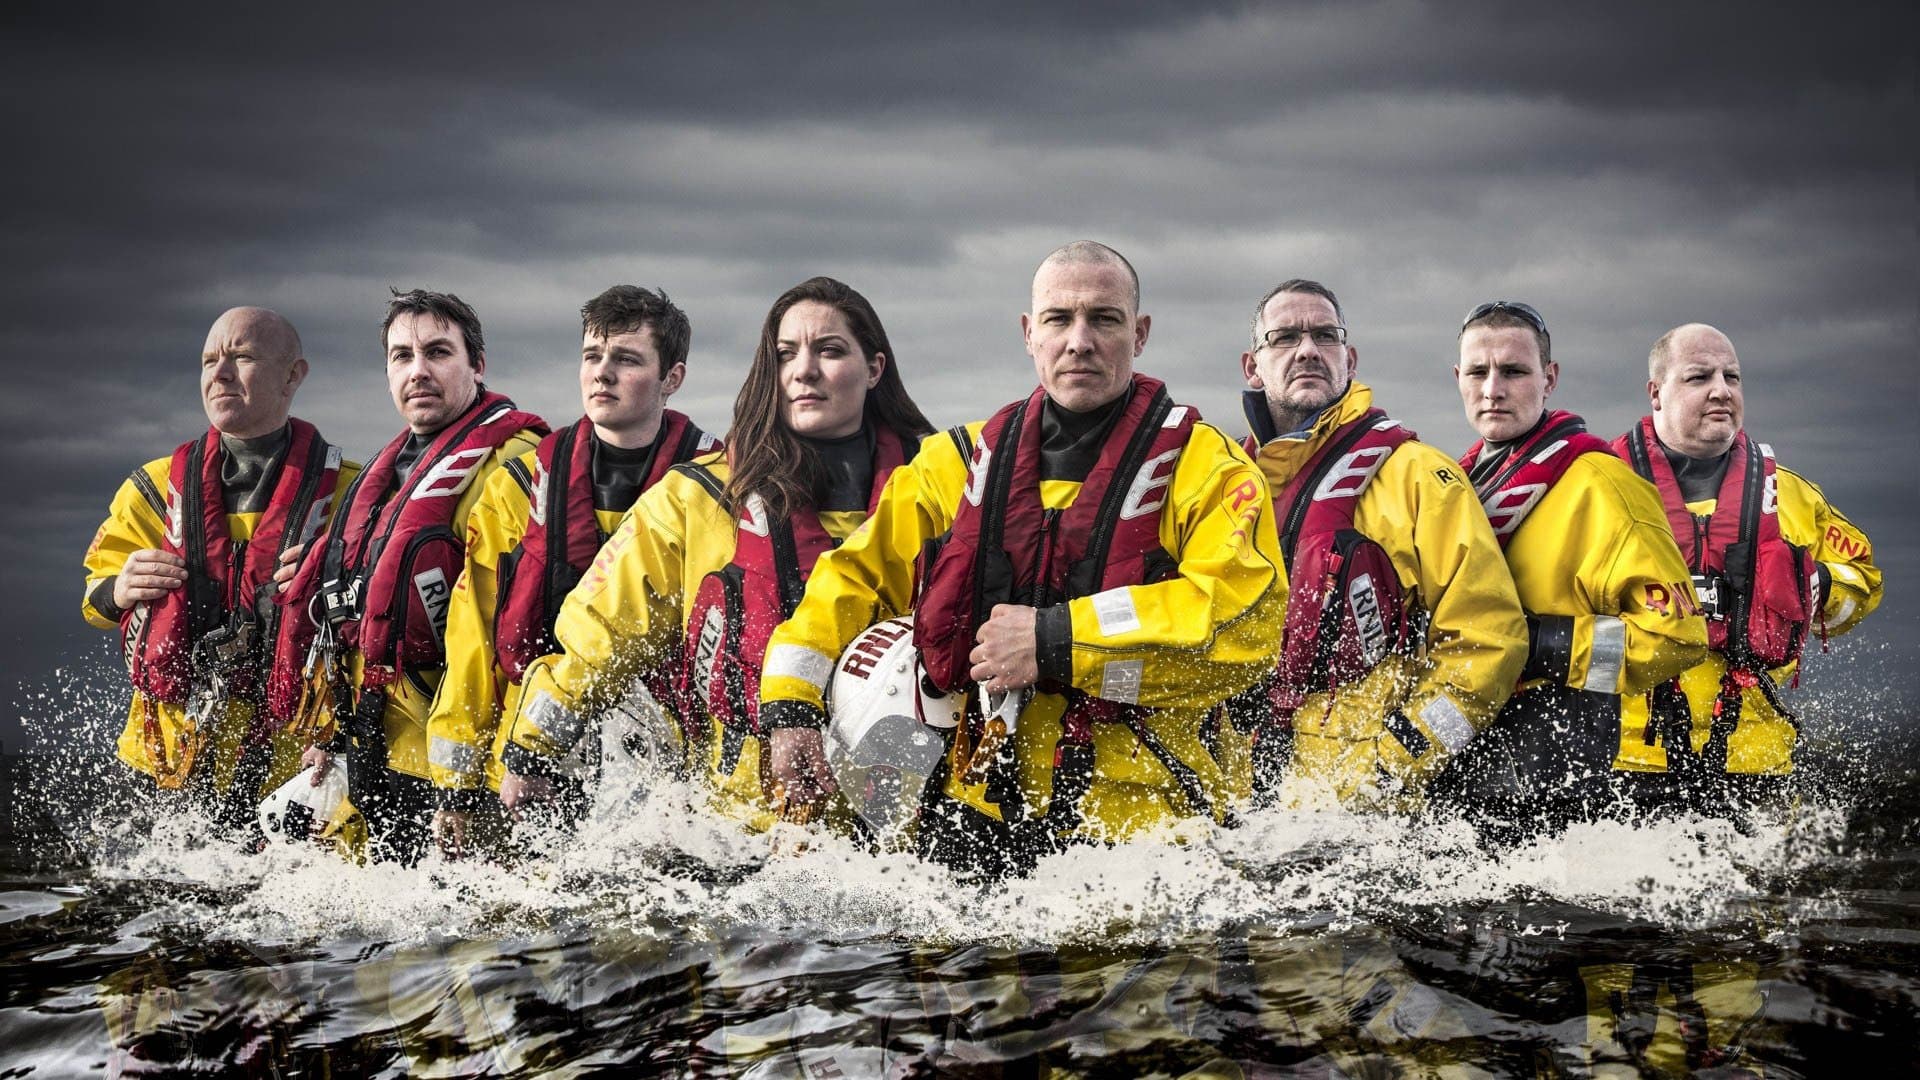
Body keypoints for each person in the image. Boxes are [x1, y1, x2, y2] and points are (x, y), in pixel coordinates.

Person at [756, 243, 1287, 878]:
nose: (1080, 341)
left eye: (1105, 319)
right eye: (1059, 319)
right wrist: (791, 707)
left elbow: (1243, 624)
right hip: (976, 818)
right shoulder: (957, 461)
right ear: (1029, 333)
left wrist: (1056, 641)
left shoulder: (1210, 469)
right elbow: (850, 579)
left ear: (1140, 334)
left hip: (1154, 835)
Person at [500, 277, 933, 830]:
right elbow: (595, 639)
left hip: (906, 819)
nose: (804, 370)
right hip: (739, 824)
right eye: (785, 354)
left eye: (829, 350)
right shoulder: (696, 499)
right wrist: (530, 751)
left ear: (874, 369)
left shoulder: (938, 495)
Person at [423, 286, 717, 856]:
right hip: (532, 768)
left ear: (672, 378)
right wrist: (457, 788)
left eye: (626, 359)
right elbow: (473, 643)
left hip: (673, 773)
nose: (602, 374)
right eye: (592, 356)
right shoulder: (515, 490)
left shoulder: (714, 489)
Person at [266, 290, 548, 863]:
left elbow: (509, 631)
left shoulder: (517, 466)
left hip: (459, 772)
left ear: (477, 364)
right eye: (401, 356)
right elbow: (346, 621)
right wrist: (325, 733)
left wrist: (464, 784)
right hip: (373, 748)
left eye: (438, 352)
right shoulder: (385, 472)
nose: (417, 370)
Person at [1233, 279, 1527, 811]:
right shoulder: (1225, 485)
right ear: (1252, 366)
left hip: (1366, 815)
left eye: (1325, 336)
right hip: (1240, 802)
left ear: (1349, 358)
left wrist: (1399, 758)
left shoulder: (1420, 478)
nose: (1307, 350)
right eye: (1284, 338)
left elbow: (1489, 642)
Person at [1430, 301, 1706, 837]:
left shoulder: (1606, 485)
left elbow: (1677, 637)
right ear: (1457, 377)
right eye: (1478, 372)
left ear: (1548, 378)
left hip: (1560, 765)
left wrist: (1534, 642)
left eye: (1514, 371)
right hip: (1467, 750)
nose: (1493, 389)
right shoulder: (1456, 488)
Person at [82, 307, 357, 825]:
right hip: (165, 763)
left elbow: (388, 614)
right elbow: (93, 599)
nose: (221, 374)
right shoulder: (151, 489)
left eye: (243, 357)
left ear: (294, 374)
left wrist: (340, 586)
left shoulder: (353, 494)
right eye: (210, 361)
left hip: (293, 769)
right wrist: (117, 590)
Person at [1611, 323, 1880, 810]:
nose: (1721, 390)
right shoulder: (1600, 489)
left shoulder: (1794, 498)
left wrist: (1819, 585)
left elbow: (1864, 577)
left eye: (1731, 377)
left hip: (1757, 761)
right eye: (1698, 377)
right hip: (1626, 758)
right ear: (1656, 392)